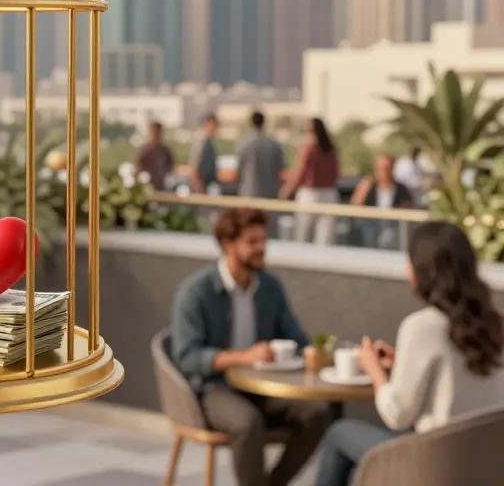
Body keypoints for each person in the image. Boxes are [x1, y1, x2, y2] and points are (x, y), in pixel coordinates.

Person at [314, 222, 504, 486]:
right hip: (487, 468)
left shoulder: (422, 326)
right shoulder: (495, 322)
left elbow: (397, 414)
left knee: (338, 433)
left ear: (418, 270)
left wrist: (375, 370)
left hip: (435, 468)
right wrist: (400, 363)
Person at [171, 208, 329, 486]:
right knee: (248, 423)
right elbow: (187, 357)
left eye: (263, 240)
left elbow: (295, 337)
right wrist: (244, 357)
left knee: (316, 414)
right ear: (227, 244)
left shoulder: (270, 287)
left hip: (262, 386)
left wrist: (323, 355)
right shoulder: (195, 292)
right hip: (213, 387)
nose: (261, 248)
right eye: (252, 242)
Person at [280, 117, 341, 246]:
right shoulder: (331, 149)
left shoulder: (307, 149)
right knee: (325, 240)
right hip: (329, 194)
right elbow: (336, 174)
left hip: (309, 195)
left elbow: (299, 173)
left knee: (302, 236)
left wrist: (285, 191)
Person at [350, 154, 415, 249]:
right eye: (380, 168)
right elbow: (355, 206)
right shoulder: (369, 187)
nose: (383, 172)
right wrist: (363, 188)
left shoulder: (401, 189)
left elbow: (408, 210)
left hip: (393, 230)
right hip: (371, 229)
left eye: (386, 168)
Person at [236, 111, 285, 201]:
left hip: (249, 193)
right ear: (263, 123)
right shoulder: (274, 144)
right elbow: (280, 169)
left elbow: (239, 169)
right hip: (269, 194)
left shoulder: (244, 144)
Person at [135, 121, 175, 191]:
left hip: (161, 185)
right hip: (148, 186)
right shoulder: (145, 150)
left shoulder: (164, 150)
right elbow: (137, 165)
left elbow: (171, 165)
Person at [189, 113, 220, 195]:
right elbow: (195, 162)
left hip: (209, 182)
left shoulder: (211, 141)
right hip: (201, 182)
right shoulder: (200, 140)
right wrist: (196, 182)